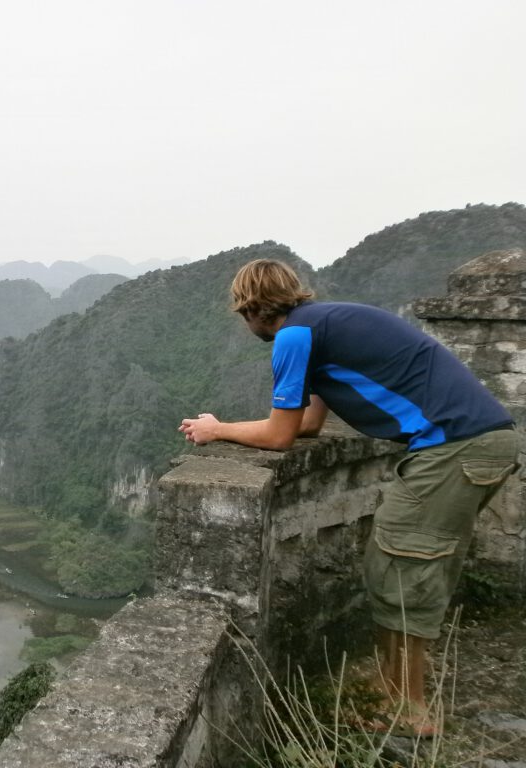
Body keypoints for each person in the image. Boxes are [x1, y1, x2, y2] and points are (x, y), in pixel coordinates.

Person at [178, 259, 518, 735]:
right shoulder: (323, 325)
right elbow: (310, 425)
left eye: (242, 314)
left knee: (401, 568)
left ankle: (413, 712)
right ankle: (395, 692)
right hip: (476, 442)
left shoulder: (294, 337)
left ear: (251, 309)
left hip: (455, 446)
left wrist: (217, 430)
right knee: (403, 563)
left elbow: (280, 436)